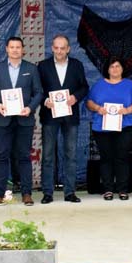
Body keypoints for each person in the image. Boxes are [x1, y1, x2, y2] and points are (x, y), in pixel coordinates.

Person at [0, 37, 43, 207]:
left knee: (24, 156)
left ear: (23, 49)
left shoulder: (31, 68)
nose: (15, 50)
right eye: (12, 47)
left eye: (18, 47)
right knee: (1, 156)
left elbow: (39, 92)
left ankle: (26, 193)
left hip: (24, 119)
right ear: (6, 49)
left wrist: (30, 108)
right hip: (3, 119)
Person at [38, 34, 89, 204]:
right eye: (56, 48)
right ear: (52, 48)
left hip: (70, 115)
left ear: (68, 49)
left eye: (62, 48)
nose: (59, 51)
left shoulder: (76, 65)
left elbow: (84, 87)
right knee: (47, 155)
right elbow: (37, 89)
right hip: (49, 116)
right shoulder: (43, 66)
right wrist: (45, 100)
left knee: (71, 155)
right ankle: (47, 192)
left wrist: (75, 97)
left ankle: (70, 192)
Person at [86, 57, 132, 201]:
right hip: (102, 128)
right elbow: (89, 102)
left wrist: (128, 110)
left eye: (118, 66)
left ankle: (123, 190)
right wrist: (97, 108)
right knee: (106, 158)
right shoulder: (99, 85)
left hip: (124, 127)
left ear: (122, 68)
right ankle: (108, 190)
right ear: (107, 69)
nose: (115, 69)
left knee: (122, 157)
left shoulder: (129, 85)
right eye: (112, 66)